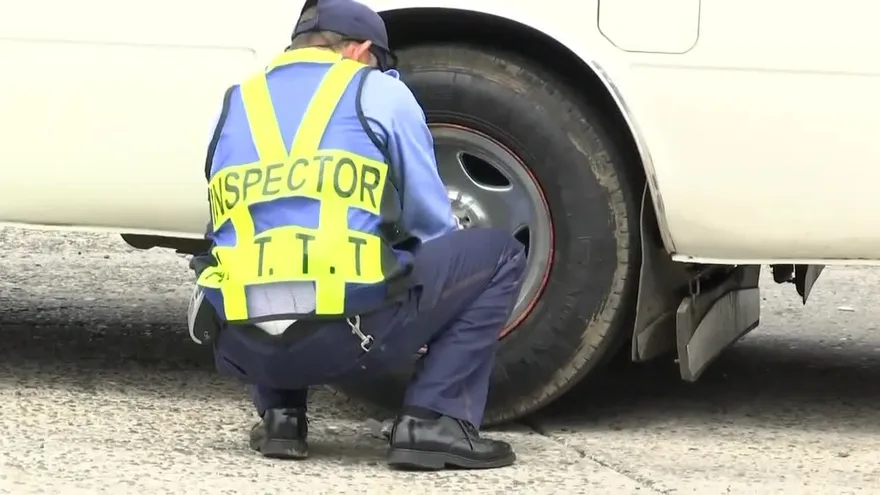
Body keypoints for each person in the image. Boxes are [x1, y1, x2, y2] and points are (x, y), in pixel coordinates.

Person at [187, 0, 526, 471]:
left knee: (269, 252)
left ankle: (281, 416)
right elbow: (430, 224)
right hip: (347, 338)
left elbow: (226, 227)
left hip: (243, 345)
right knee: (498, 255)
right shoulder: (378, 92)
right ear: (362, 51)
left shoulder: (236, 101)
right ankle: (434, 421)